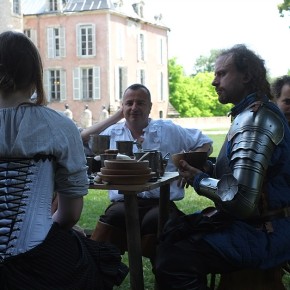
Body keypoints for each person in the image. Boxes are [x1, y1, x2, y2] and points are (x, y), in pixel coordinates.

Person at [154, 44, 290, 290]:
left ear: (247, 76)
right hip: (252, 224)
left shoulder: (256, 119)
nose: (214, 82)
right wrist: (208, 167)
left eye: (222, 74)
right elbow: (245, 175)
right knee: (172, 233)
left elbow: (242, 199)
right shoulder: (248, 114)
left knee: (174, 259)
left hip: (265, 232)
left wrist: (198, 179)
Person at [0, 30, 128, 290]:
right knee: (88, 257)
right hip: (35, 265)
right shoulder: (59, 127)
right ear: (35, 76)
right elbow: (69, 214)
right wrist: (53, 231)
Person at [81, 83, 213, 261]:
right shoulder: (112, 132)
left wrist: (190, 165)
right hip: (123, 201)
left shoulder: (168, 129)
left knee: (157, 220)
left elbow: (205, 143)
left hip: (160, 201)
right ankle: (101, 272)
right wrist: (117, 116)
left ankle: (163, 271)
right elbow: (81, 139)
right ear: (122, 107)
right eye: (129, 103)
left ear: (150, 107)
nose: (134, 107)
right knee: (112, 219)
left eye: (140, 103)